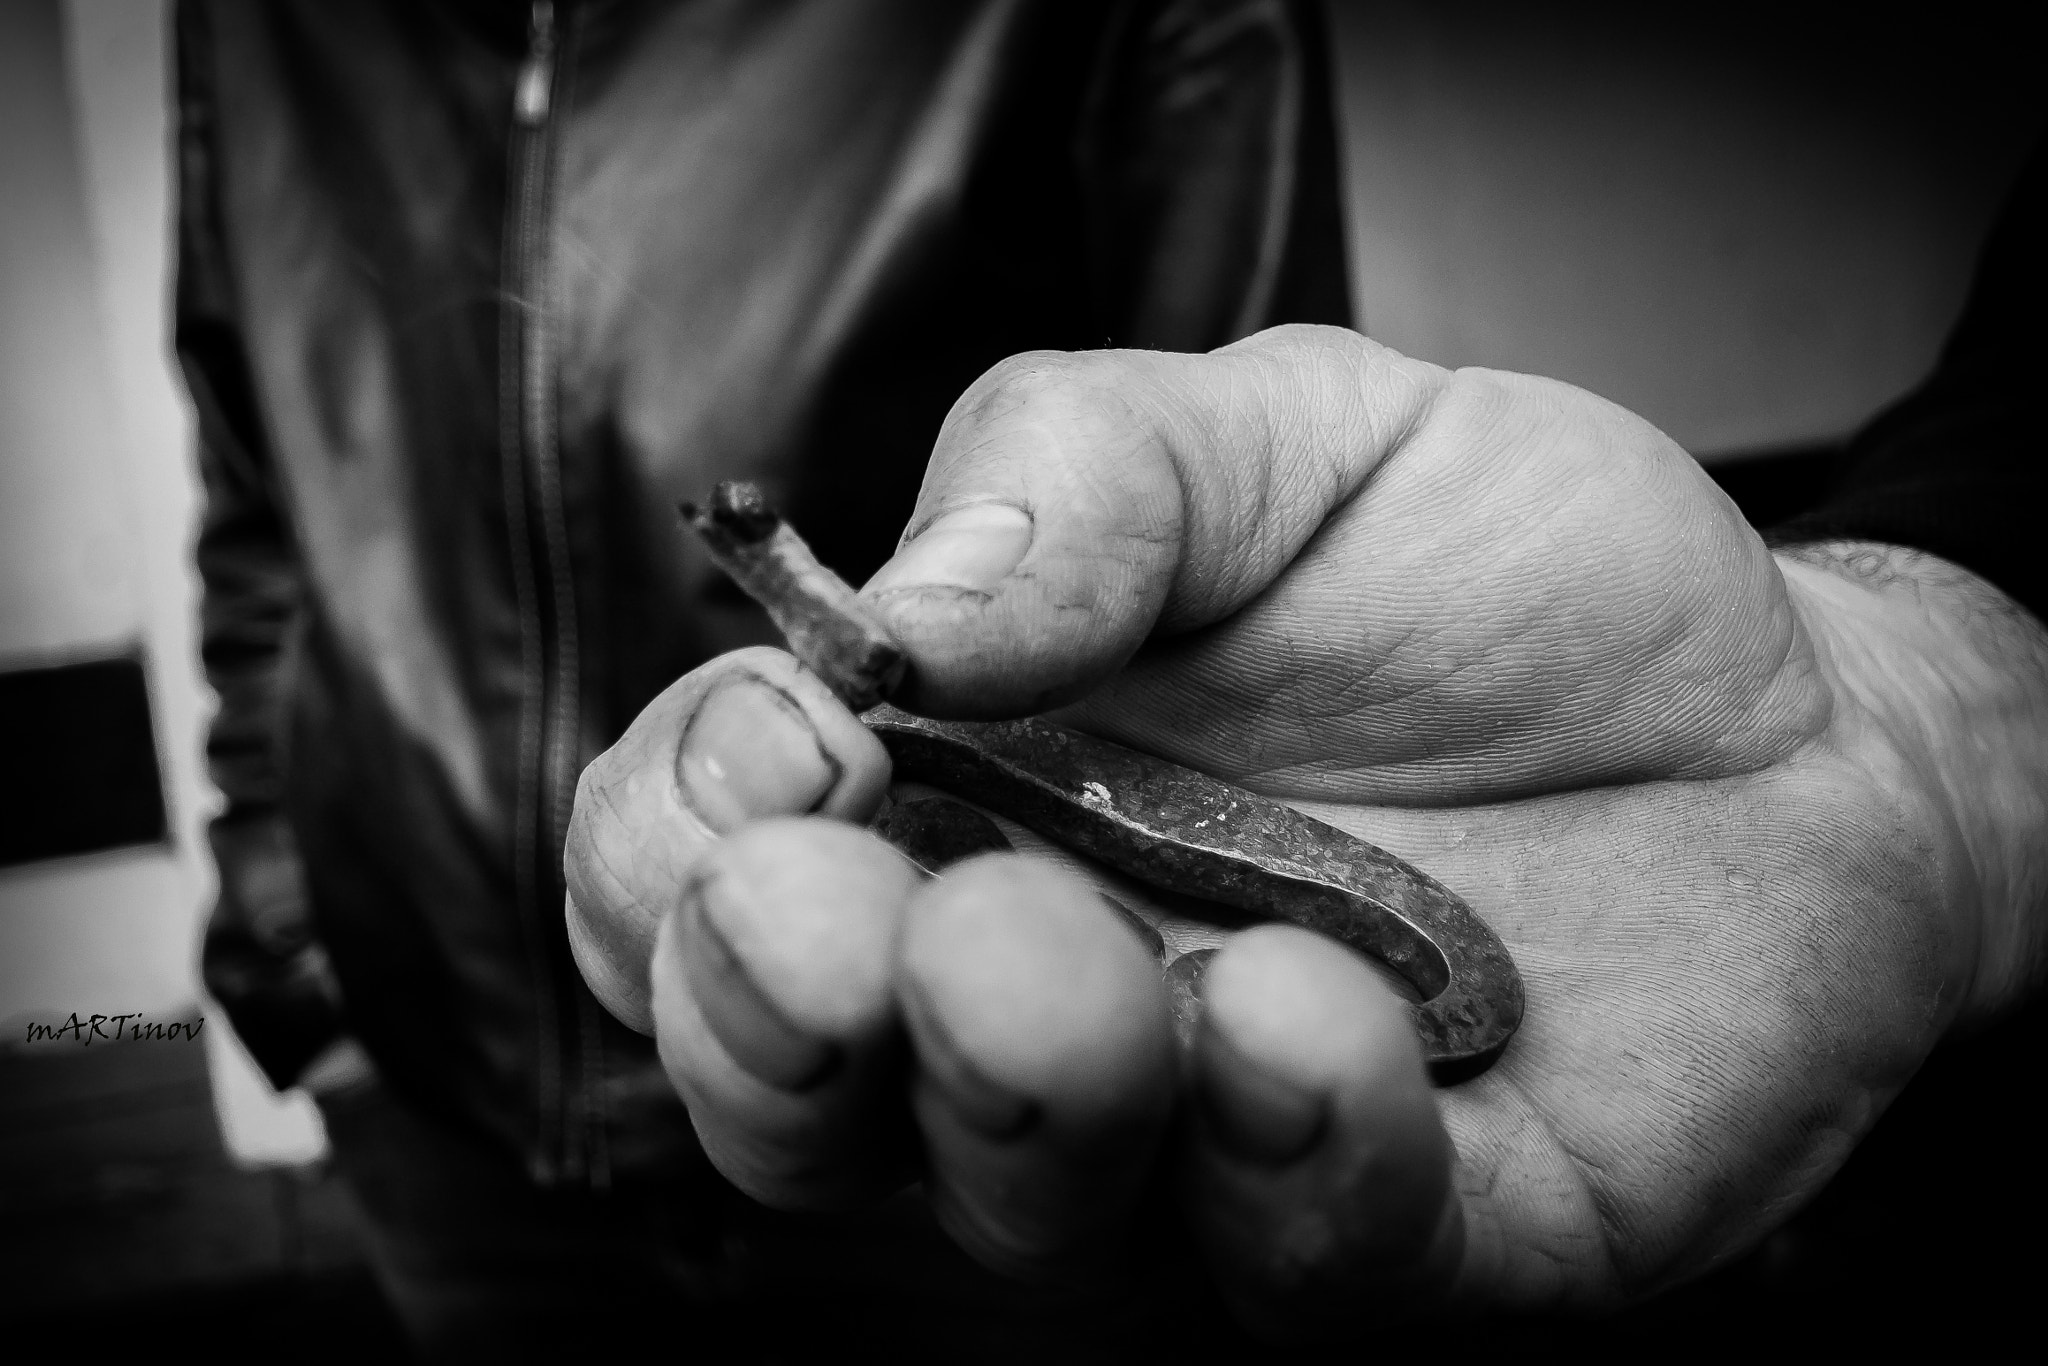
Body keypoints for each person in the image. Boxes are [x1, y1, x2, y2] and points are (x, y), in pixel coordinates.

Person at [179, 0, 2047, 1354]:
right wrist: (305, 977)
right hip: (444, 1117)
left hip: (964, 1144)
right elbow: (262, 512)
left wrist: (1917, 708)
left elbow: (1213, 419)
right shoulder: (259, 33)